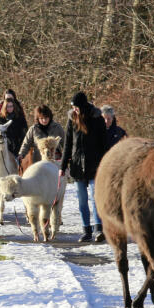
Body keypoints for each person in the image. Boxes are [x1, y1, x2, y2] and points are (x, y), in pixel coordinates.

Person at [60, 91, 108, 242]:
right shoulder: (71, 120)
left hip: (95, 164)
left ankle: (99, 229)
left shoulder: (97, 119)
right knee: (82, 200)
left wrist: (106, 163)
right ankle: (86, 230)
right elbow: (68, 143)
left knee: (95, 198)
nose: (74, 110)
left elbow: (104, 143)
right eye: (73, 107)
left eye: (76, 107)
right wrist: (63, 166)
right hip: (76, 165)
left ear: (82, 106)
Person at [0, 89, 28, 157]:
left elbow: (24, 126)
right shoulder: (0, 109)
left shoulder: (18, 110)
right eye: (7, 98)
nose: (9, 99)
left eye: (10, 98)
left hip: (18, 142)